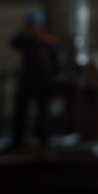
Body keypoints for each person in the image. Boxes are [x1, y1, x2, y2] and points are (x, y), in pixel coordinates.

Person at [10, 10, 58, 148]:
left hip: (44, 82)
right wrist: (24, 33)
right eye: (31, 25)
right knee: (21, 109)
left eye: (36, 25)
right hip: (27, 80)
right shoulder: (25, 41)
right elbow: (13, 43)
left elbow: (56, 63)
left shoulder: (49, 41)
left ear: (41, 26)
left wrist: (53, 78)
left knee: (43, 111)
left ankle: (44, 139)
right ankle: (18, 139)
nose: (34, 28)